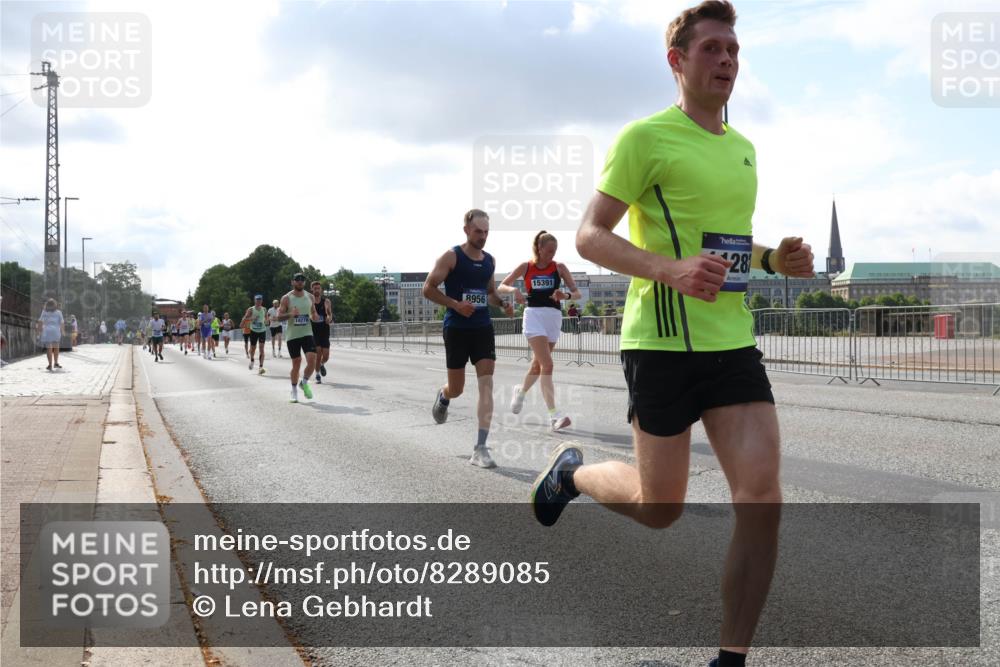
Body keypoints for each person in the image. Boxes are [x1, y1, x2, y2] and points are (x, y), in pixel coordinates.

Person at [528, 4, 815, 667]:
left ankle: (730, 659)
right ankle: (573, 474)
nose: (727, 60)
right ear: (676, 61)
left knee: (762, 498)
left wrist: (775, 260)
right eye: (711, 48)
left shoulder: (743, 148)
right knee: (660, 507)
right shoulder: (645, 137)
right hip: (659, 345)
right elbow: (589, 235)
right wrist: (668, 270)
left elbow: (728, 245)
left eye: (733, 49)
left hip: (731, 346)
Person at [422, 209, 513, 469]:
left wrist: (502, 303)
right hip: (457, 328)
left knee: (486, 384)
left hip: (482, 327)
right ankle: (444, 395)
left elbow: (490, 292)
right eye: (478, 231)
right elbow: (428, 288)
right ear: (466, 230)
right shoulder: (451, 257)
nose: (483, 236)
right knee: (457, 388)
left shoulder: (489, 261)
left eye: (486, 232)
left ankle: (480, 448)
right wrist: (455, 304)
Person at [500, 230, 582, 431]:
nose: (553, 254)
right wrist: (514, 290)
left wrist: (565, 296)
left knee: (538, 366)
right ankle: (555, 415)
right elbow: (502, 285)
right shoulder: (526, 267)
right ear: (539, 248)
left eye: (555, 251)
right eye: (549, 251)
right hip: (534, 316)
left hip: (553, 317)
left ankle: (520, 392)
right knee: (548, 365)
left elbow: (577, 293)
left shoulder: (559, 267)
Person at [278, 273, 318, 403]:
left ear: (304, 283)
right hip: (293, 335)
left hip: (307, 333)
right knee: (297, 363)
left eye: (302, 280)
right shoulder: (286, 298)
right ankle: (294, 390)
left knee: (312, 360)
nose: (300, 282)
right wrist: (291, 314)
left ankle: (304, 382)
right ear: (293, 282)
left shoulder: (310, 296)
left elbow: (313, 312)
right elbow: (279, 316)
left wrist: (314, 316)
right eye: (297, 280)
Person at [310, 281, 333, 384]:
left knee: (326, 356)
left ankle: (321, 364)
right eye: (315, 288)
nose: (317, 290)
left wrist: (329, 318)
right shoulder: (309, 302)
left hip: (324, 331)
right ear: (312, 290)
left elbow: (329, 314)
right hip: (314, 332)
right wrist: (312, 317)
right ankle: (317, 375)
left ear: (321, 290)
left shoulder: (326, 301)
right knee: (318, 354)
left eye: (318, 288)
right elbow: (309, 315)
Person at [37, 298, 65, 371]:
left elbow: (40, 322)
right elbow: (62, 322)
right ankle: (56, 363)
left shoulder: (44, 312)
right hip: (56, 331)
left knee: (49, 348)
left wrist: (39, 332)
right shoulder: (59, 312)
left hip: (47, 331)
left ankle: (50, 364)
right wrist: (62, 331)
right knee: (56, 347)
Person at [243, 295, 268, 375]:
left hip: (262, 331)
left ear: (262, 301)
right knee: (253, 349)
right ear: (255, 301)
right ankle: (252, 360)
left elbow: (266, 319)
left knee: (261, 348)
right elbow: (245, 318)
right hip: (253, 331)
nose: (258, 301)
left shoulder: (264, 309)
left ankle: (261, 367)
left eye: (260, 300)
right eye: (257, 300)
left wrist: (267, 321)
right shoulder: (251, 309)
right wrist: (252, 318)